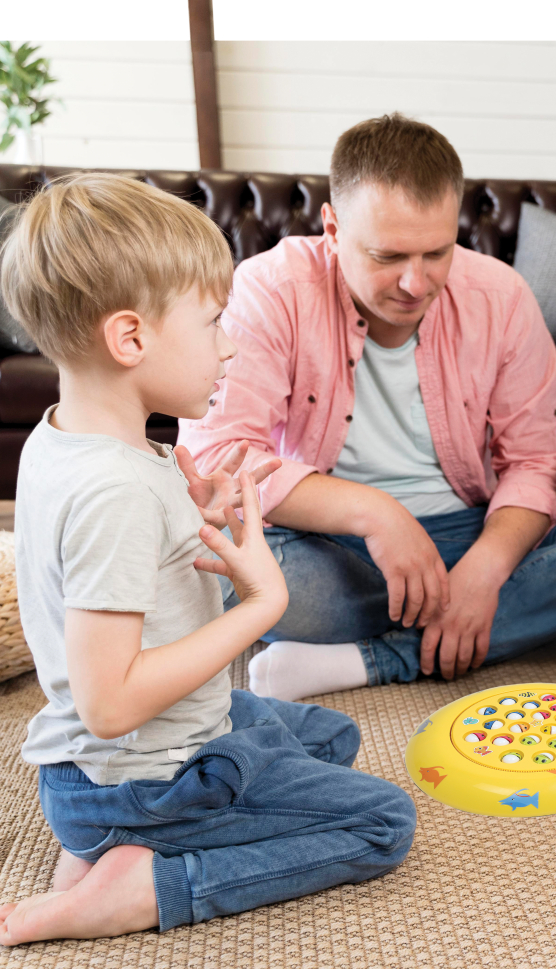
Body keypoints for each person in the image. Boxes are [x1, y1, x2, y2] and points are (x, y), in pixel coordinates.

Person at [0, 175, 416, 945]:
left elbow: (112, 577)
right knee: (384, 822)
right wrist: (262, 605)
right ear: (130, 340)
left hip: (132, 758)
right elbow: (111, 704)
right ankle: (143, 884)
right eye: (213, 321)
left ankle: (94, 845)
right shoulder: (113, 490)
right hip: (141, 777)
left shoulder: (69, 438)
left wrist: (192, 517)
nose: (229, 345)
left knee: (331, 739)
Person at [178, 114, 556, 700]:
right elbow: (219, 457)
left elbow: (539, 460)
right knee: (211, 567)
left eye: (436, 253)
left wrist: (486, 569)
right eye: (388, 256)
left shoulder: (500, 294)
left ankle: (371, 659)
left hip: (472, 531)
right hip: (328, 542)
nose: (415, 284)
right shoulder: (268, 289)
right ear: (333, 226)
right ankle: (489, 619)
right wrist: (376, 514)